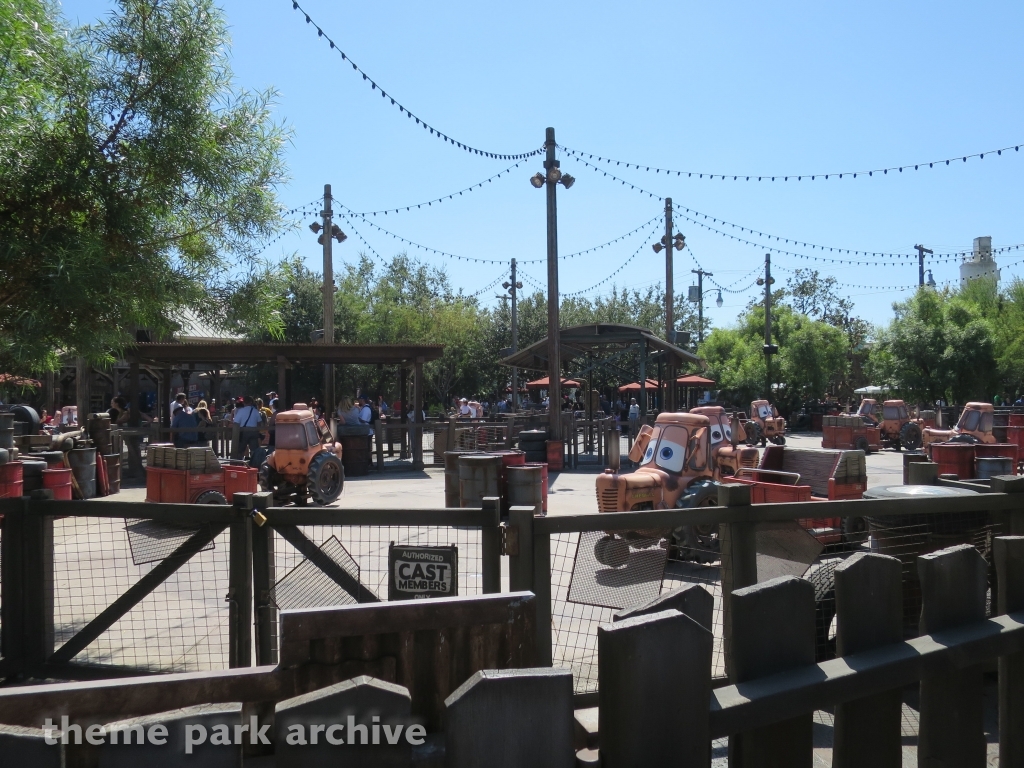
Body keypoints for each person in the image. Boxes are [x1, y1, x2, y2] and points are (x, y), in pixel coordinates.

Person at [232, 395, 263, 465]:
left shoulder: (241, 411)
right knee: (254, 450)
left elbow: (236, 422)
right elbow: (259, 422)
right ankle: (254, 464)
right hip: (254, 431)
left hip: (244, 431)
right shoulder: (255, 411)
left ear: (243, 402)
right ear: (251, 402)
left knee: (241, 450)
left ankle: (239, 464)